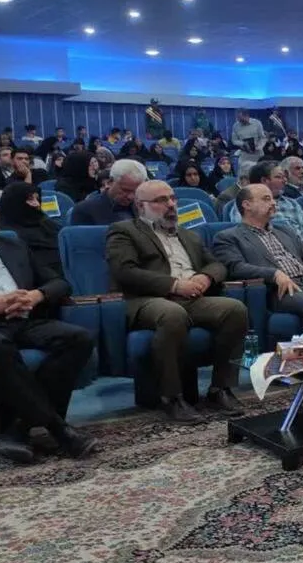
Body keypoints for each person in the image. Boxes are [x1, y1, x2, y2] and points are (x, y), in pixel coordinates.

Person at [0, 181, 98, 463]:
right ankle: (58, 429)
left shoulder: (14, 244)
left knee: (79, 338)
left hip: (23, 318)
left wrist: (36, 296)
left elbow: (60, 283)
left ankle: (17, 429)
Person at [105, 180, 248, 424]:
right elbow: (124, 271)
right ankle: (171, 397)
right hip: (147, 299)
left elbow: (216, 264)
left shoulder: (188, 234)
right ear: (140, 206)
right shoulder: (124, 231)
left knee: (235, 310)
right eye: (161, 200)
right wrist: (173, 285)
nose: (171, 204)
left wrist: (205, 277)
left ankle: (220, 388)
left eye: (172, 198)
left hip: (191, 297)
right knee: (172, 314)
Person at [213, 183, 303, 344]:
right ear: (246, 205)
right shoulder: (228, 237)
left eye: (272, 199)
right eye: (266, 199)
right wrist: (274, 274)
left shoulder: (285, 231)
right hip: (277, 291)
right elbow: (236, 267)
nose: (273, 203)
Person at [227, 161, 303, 249]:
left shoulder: (292, 203)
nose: (285, 181)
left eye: (284, 177)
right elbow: (245, 236)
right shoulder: (246, 205)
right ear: (264, 180)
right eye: (279, 177)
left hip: (302, 250)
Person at [0, 182, 64, 276]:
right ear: (15, 203)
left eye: (37, 198)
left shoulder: (46, 223)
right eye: (30, 199)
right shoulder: (9, 238)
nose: (37, 204)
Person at [70, 159, 147, 226]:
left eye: (136, 191)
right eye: (125, 190)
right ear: (110, 182)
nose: (131, 197)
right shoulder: (85, 210)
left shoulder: (146, 208)